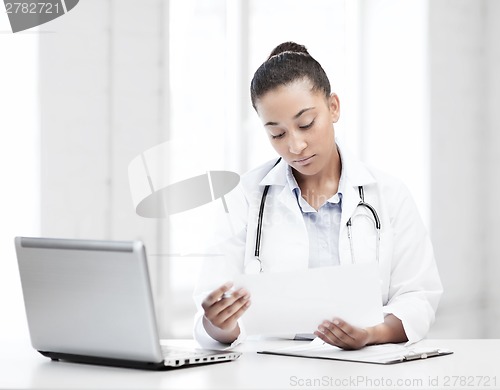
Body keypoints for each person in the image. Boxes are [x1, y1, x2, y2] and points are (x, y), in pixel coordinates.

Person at [193, 41, 443, 350]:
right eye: (277, 134)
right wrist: (219, 321)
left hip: (365, 371)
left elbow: (418, 297)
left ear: (333, 107)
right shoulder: (243, 198)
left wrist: (371, 333)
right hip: (270, 372)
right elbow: (212, 311)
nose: (295, 146)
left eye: (306, 124)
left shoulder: (389, 194)